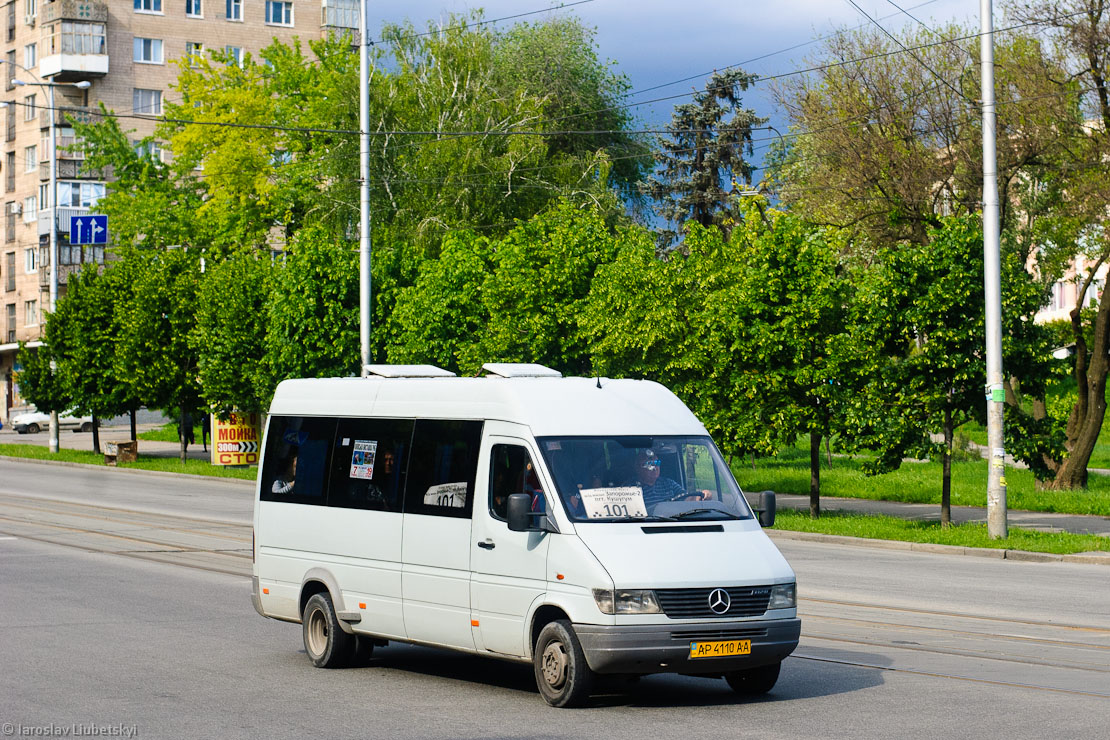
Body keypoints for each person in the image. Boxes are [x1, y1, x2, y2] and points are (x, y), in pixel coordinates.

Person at [630, 448, 711, 509]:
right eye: (650, 463)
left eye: (657, 463)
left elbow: (686, 498)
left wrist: (701, 495)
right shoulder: (630, 488)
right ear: (638, 467)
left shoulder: (668, 484)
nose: (655, 467)